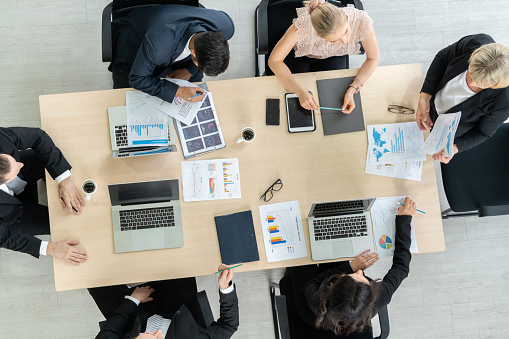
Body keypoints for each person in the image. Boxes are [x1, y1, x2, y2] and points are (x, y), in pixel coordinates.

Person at [286, 197, 416, 336]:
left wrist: (350, 268)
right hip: (334, 287)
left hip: (308, 306)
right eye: (363, 279)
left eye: (355, 276)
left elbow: (310, 283)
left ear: (333, 286)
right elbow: (402, 267)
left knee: (299, 251)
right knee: (333, 249)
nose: (360, 273)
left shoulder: (317, 302)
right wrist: (404, 219)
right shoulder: (378, 297)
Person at [109, 3, 235, 104]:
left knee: (195, 81)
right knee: (130, 98)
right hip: (134, 39)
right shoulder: (158, 48)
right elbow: (136, 79)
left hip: (173, 21)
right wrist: (179, 91)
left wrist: (188, 70)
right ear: (193, 53)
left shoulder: (226, 25)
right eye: (198, 65)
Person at [268, 0, 380, 113]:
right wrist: (300, 92)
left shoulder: (361, 20)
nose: (345, 41)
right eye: (335, 40)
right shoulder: (304, 25)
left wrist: (353, 88)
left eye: (345, 31)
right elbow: (274, 61)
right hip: (302, 55)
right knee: (289, 97)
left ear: (343, 14)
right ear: (317, 34)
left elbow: (373, 58)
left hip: (335, 55)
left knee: (332, 97)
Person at [0, 127, 88, 265]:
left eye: (13, 159)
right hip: (9, 217)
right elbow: (3, 237)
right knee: (63, 223)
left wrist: (64, 180)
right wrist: (50, 248)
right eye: (16, 167)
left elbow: (38, 136)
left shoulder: (2, 140)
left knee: (51, 162)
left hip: (21, 177)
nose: (20, 164)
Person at [416, 34, 509, 164]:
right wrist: (425, 95)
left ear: (494, 85)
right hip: (431, 101)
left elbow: (483, 132)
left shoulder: (503, 103)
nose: (469, 83)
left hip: (447, 131)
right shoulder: (475, 42)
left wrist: (455, 147)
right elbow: (442, 58)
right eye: (470, 72)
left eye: (478, 83)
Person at [90, 264, 239, 339]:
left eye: (152, 335)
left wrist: (133, 300)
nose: (159, 331)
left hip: (134, 319)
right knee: (178, 263)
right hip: (177, 312)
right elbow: (228, 324)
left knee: (93, 279)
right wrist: (225, 288)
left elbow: (110, 331)